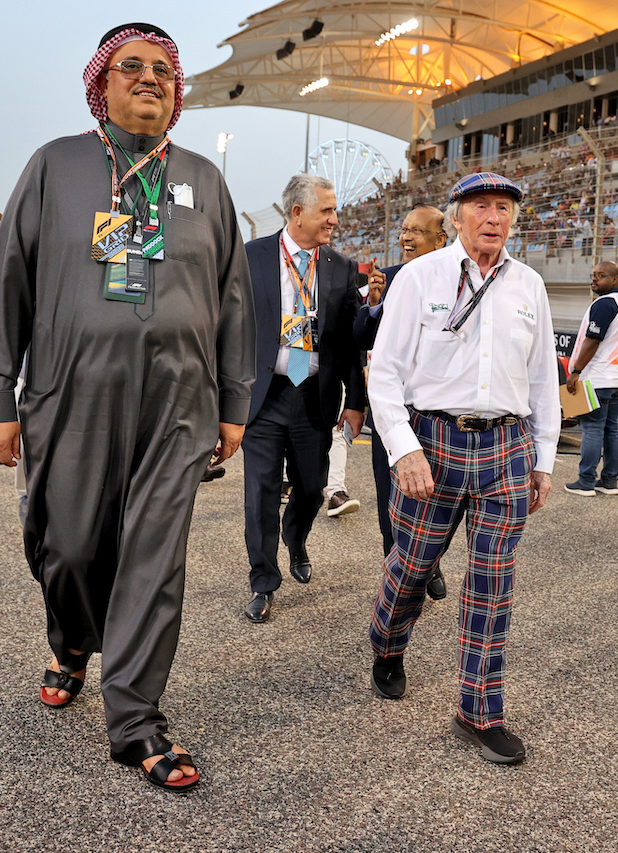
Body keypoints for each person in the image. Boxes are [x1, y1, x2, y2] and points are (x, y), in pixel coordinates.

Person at [0, 22, 255, 792]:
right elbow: (11, 285)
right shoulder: (56, 166)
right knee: (63, 545)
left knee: (154, 560)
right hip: (71, 392)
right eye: (131, 66)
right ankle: (71, 639)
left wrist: (233, 401)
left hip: (178, 404)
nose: (149, 78)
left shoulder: (202, 178)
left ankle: (135, 718)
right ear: (102, 82)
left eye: (163, 69)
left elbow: (233, 296)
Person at [367, 172, 558, 766]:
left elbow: (542, 380)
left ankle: (479, 710)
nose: (493, 218)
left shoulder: (529, 285)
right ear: (456, 217)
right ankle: (388, 642)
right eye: (481, 207)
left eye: (503, 207)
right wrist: (404, 449)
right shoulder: (419, 278)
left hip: (506, 449)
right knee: (414, 566)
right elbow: (386, 373)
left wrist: (543, 459)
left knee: (493, 584)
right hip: (433, 440)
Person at [239, 174, 366, 624]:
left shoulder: (341, 267)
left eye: (334, 211)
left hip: (314, 396)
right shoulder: (250, 257)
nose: (335, 219)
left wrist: (357, 401)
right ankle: (263, 582)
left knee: (311, 488)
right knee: (260, 493)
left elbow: (351, 343)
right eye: (326, 211)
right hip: (264, 397)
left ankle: (295, 539)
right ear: (297, 213)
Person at [354, 202, 450, 599]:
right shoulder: (388, 278)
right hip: (393, 411)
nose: (405, 237)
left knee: (438, 497)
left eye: (416, 231)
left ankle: (432, 564)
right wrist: (373, 305)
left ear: (441, 239)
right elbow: (360, 337)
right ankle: (397, 575)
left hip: (439, 415)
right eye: (404, 230)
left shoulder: (458, 280)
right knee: (390, 496)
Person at [564, 261, 618, 497]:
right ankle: (609, 481)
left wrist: (575, 371)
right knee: (611, 428)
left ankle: (586, 481)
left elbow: (593, 340)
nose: (594, 279)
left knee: (593, 428)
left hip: (600, 375)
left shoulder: (605, 303)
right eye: (593, 275)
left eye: (601, 275)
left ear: (616, 278)